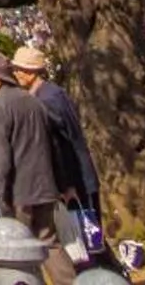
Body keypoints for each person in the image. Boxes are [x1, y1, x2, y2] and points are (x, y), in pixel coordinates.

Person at [0, 48, 72, 285]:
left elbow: (1, 159)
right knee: (49, 244)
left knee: (16, 253)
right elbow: (53, 146)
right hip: (44, 186)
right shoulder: (32, 100)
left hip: (18, 193)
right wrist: (60, 183)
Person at [10, 44, 103, 251]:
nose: (15, 73)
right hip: (70, 180)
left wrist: (69, 185)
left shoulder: (49, 98)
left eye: (19, 69)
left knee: (88, 242)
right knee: (82, 243)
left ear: (31, 72)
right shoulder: (44, 95)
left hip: (77, 181)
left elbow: (65, 143)